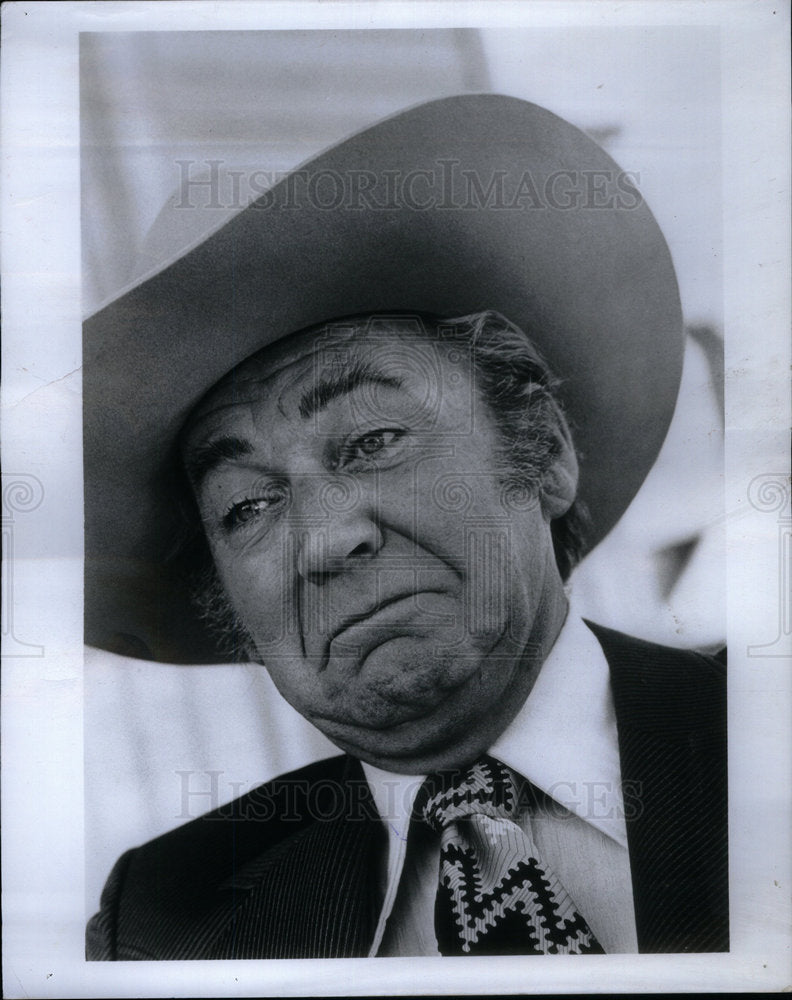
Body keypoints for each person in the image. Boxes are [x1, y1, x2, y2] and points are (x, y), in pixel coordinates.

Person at [83, 94, 727, 959]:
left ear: (544, 452)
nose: (324, 539)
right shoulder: (160, 924)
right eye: (247, 506)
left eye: (373, 440)